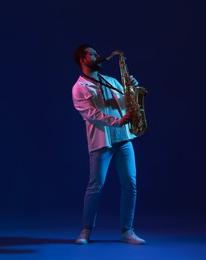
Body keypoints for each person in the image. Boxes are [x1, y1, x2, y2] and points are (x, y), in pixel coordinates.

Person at [71, 43, 146, 245]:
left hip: (123, 139)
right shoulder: (79, 88)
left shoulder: (111, 80)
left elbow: (125, 104)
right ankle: (86, 230)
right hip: (101, 142)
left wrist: (132, 89)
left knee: (130, 184)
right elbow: (91, 114)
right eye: (92, 54)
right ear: (82, 59)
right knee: (95, 186)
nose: (98, 56)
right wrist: (116, 121)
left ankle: (127, 231)